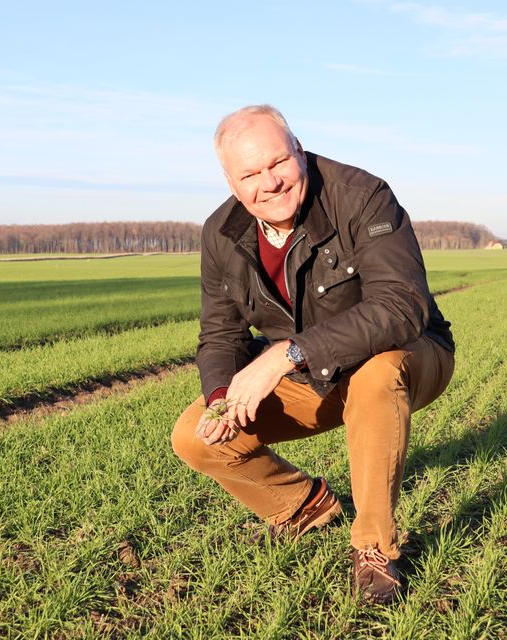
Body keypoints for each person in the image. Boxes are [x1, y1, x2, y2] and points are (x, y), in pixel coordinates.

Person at [171, 104, 455, 604]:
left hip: (409, 354)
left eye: (278, 163)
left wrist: (288, 353)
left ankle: (374, 548)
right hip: (313, 374)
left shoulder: (362, 196)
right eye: (250, 174)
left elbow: (401, 307)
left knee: (376, 374)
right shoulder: (220, 234)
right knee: (195, 437)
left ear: (299, 150)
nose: (270, 183)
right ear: (231, 181)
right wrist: (222, 398)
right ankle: (305, 506)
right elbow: (220, 336)